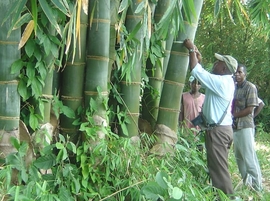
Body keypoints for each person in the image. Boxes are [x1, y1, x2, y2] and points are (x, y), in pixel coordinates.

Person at [183, 38, 238, 199]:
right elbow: (201, 75)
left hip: (218, 133)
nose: (215, 63)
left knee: (220, 170)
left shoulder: (222, 83)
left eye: (218, 62)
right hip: (222, 130)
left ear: (224, 68)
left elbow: (196, 70)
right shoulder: (224, 82)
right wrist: (198, 61)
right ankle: (218, 196)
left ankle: (227, 197)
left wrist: (191, 49)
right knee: (217, 167)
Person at [232, 64, 262, 191]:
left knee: (249, 157)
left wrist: (235, 116)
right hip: (235, 127)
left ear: (245, 74)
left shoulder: (250, 87)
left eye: (240, 72)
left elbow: (251, 108)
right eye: (236, 72)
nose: (237, 74)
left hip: (245, 126)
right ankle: (246, 184)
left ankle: (258, 186)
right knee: (239, 157)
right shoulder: (233, 87)